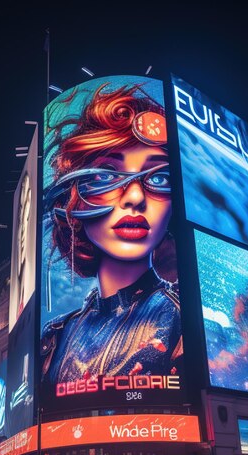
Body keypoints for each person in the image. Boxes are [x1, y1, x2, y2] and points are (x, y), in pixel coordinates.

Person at [41, 81, 183, 404]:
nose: (135, 198)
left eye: (157, 178)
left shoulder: (180, 320)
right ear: (74, 195)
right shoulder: (55, 337)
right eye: (106, 176)